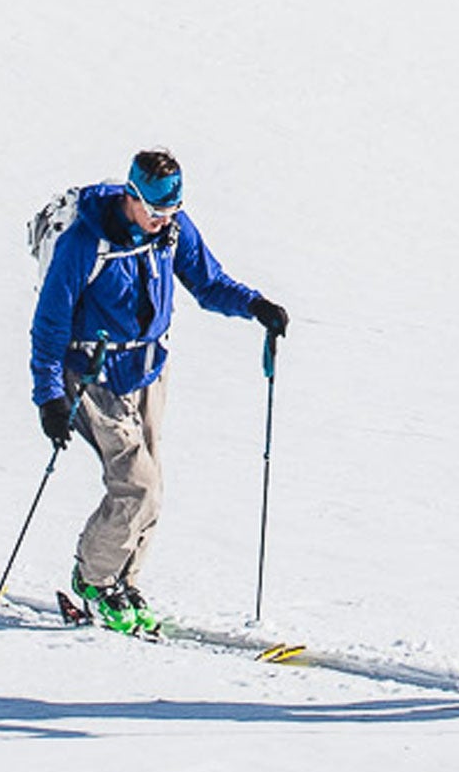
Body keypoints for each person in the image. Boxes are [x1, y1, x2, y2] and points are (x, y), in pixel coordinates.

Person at [30, 150, 287, 632]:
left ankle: (124, 579)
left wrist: (257, 306)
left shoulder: (172, 230)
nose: (162, 220)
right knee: (136, 483)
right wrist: (49, 398)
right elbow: (48, 326)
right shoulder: (85, 243)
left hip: (148, 372)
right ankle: (94, 579)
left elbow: (209, 283)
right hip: (93, 375)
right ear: (132, 195)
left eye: (171, 211)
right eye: (154, 211)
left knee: (152, 488)